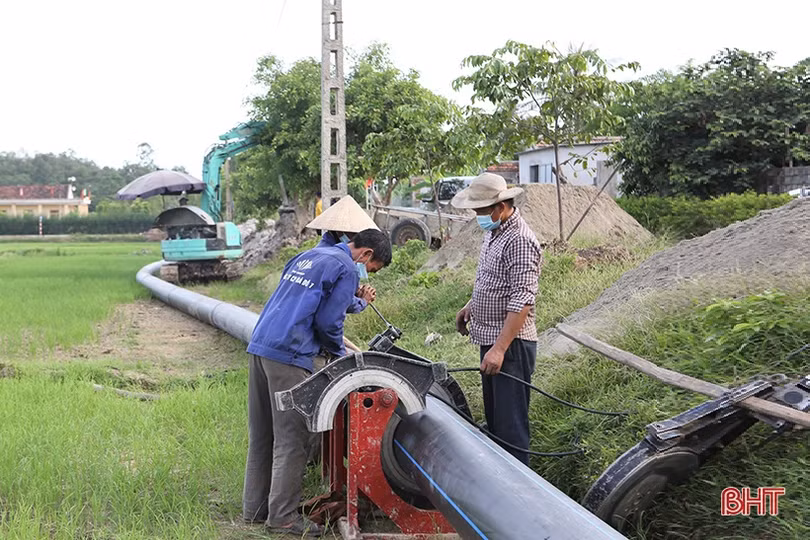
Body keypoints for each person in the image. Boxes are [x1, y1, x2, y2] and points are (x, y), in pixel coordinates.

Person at [242, 228, 392, 536]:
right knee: (293, 440)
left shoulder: (309, 256)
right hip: (290, 356)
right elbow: (328, 321)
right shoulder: (346, 267)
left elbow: (320, 300)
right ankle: (282, 518)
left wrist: (358, 301)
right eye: (371, 268)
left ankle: (255, 509)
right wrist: (339, 353)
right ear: (365, 255)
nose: (366, 273)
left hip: (261, 348)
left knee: (263, 434)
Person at [451, 173, 542, 466]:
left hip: (510, 346)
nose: (478, 217)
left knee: (510, 428)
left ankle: (519, 494)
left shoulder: (520, 240)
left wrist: (500, 348)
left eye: (481, 211)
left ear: (500, 207)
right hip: (491, 340)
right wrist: (471, 306)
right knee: (496, 424)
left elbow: (522, 299)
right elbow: (492, 280)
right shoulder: (494, 233)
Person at [305, 195, 382, 313]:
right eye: (354, 235)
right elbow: (338, 303)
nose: (357, 240)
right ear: (340, 232)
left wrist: (353, 291)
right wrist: (363, 301)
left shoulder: (316, 252)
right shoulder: (338, 261)